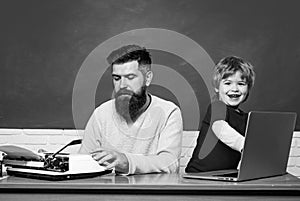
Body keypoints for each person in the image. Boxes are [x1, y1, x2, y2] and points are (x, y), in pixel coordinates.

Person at [79, 44, 183, 175]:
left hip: (151, 194)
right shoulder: (101, 113)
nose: (122, 85)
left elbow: (170, 163)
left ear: (148, 78)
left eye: (130, 77)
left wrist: (127, 162)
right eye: (117, 78)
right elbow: (83, 162)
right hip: (106, 192)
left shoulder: (169, 112)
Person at [185, 56, 255, 172]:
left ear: (248, 89)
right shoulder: (217, 107)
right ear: (217, 87)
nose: (235, 89)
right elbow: (220, 128)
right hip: (198, 175)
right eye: (228, 83)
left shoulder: (247, 118)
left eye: (241, 84)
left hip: (224, 176)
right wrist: (244, 146)